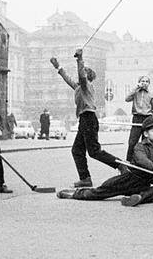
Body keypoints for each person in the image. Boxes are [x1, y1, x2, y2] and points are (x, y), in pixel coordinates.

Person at [56, 116, 153, 206]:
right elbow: (142, 160)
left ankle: (136, 199)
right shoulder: (139, 147)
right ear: (145, 134)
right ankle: (73, 194)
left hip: (142, 185)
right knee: (100, 192)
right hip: (128, 179)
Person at [51, 48, 123, 188]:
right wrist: (58, 66)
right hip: (84, 120)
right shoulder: (79, 87)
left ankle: (119, 165)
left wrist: (79, 59)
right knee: (77, 150)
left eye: (83, 73)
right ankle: (85, 178)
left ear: (87, 76)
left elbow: (81, 76)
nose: (80, 76)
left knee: (94, 151)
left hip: (89, 118)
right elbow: (67, 79)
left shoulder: (86, 86)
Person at [124, 75, 153, 161]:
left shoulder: (151, 95)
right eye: (143, 81)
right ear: (139, 82)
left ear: (149, 84)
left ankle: (146, 162)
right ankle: (129, 161)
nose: (144, 83)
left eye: (146, 81)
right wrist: (136, 88)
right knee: (132, 142)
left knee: (146, 142)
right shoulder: (135, 93)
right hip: (137, 118)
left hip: (147, 119)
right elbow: (127, 99)